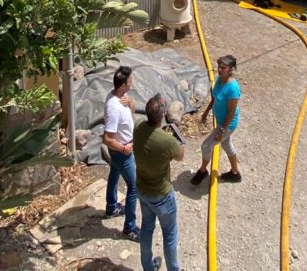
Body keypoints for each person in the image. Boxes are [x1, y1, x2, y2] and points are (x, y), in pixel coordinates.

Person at [134, 94, 185, 271]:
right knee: (170, 235)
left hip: (142, 189)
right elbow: (180, 155)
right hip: (161, 195)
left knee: (147, 228)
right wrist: (172, 138)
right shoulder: (166, 140)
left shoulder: (138, 125)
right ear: (163, 117)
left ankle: (148, 267)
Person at [191, 54, 242, 185]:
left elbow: (231, 113)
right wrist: (206, 112)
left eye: (223, 68)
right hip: (221, 122)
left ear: (231, 69)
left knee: (206, 146)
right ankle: (235, 173)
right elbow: (214, 97)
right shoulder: (220, 79)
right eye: (219, 66)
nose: (219, 70)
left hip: (227, 125)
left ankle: (202, 171)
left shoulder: (233, 89)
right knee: (226, 144)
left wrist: (221, 131)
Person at [103, 65, 139, 239]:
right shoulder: (113, 107)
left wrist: (131, 102)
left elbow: (131, 111)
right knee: (134, 187)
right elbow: (107, 139)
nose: (133, 82)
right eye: (131, 80)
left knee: (114, 174)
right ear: (124, 84)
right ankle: (130, 228)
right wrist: (124, 148)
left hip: (121, 152)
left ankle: (111, 207)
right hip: (122, 152)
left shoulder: (119, 96)